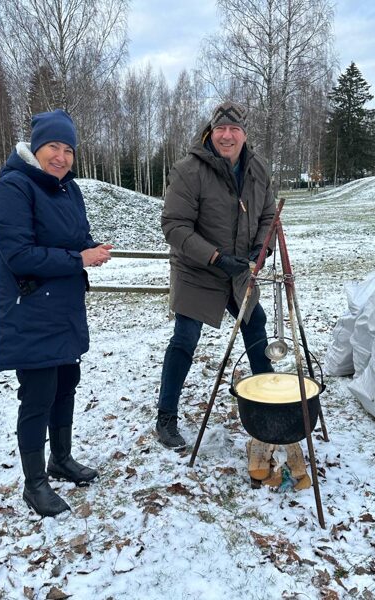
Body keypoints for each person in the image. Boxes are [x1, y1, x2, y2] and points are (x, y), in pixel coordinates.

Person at [0, 109, 112, 517]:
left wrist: (93, 249)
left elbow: (78, 237)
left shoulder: (68, 190)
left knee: (65, 385)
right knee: (37, 397)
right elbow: (20, 256)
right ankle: (34, 483)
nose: (61, 156)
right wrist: (79, 258)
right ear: (36, 148)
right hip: (30, 312)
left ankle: (61, 458)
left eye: (68, 149)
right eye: (53, 147)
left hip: (65, 309)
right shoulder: (13, 189)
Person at [157, 100, 276, 450]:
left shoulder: (258, 169)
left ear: (244, 134)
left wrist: (261, 250)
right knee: (185, 338)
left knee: (256, 326)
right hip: (197, 269)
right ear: (211, 131)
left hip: (239, 270)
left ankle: (269, 401)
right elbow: (174, 226)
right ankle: (166, 417)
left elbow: (269, 214)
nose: (227, 135)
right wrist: (214, 257)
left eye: (234, 129)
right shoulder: (188, 170)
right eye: (221, 129)